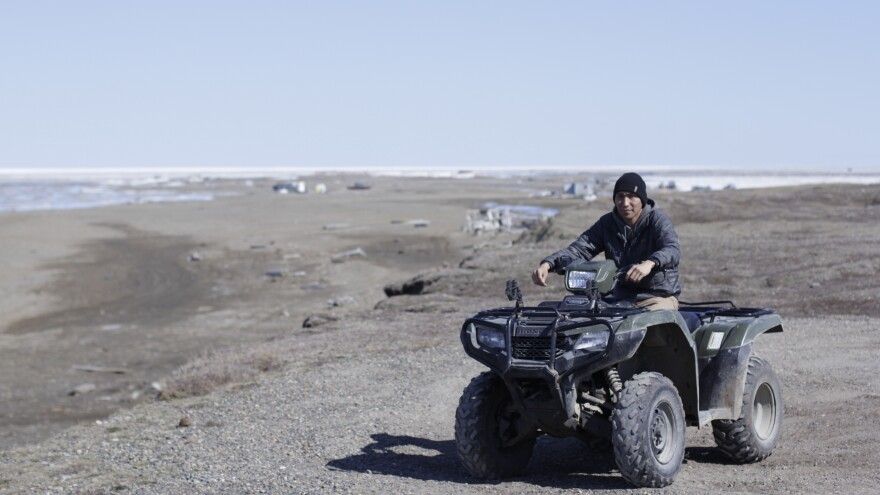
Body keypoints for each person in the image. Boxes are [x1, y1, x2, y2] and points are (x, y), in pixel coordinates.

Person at [531, 172, 681, 310]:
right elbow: (578, 249)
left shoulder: (657, 220)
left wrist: (650, 263)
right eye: (620, 196)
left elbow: (672, 249)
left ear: (642, 199)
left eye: (631, 196)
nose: (625, 202)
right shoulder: (607, 223)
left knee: (648, 325)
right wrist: (548, 264)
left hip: (657, 298)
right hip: (619, 297)